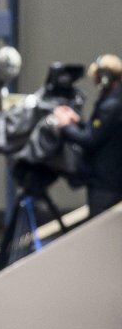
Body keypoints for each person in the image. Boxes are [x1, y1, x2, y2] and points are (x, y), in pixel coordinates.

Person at [53, 55, 122, 219]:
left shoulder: (110, 106)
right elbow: (99, 130)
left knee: (100, 235)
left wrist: (65, 126)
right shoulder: (115, 102)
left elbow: (90, 139)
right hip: (112, 182)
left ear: (105, 78)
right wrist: (78, 122)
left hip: (105, 185)